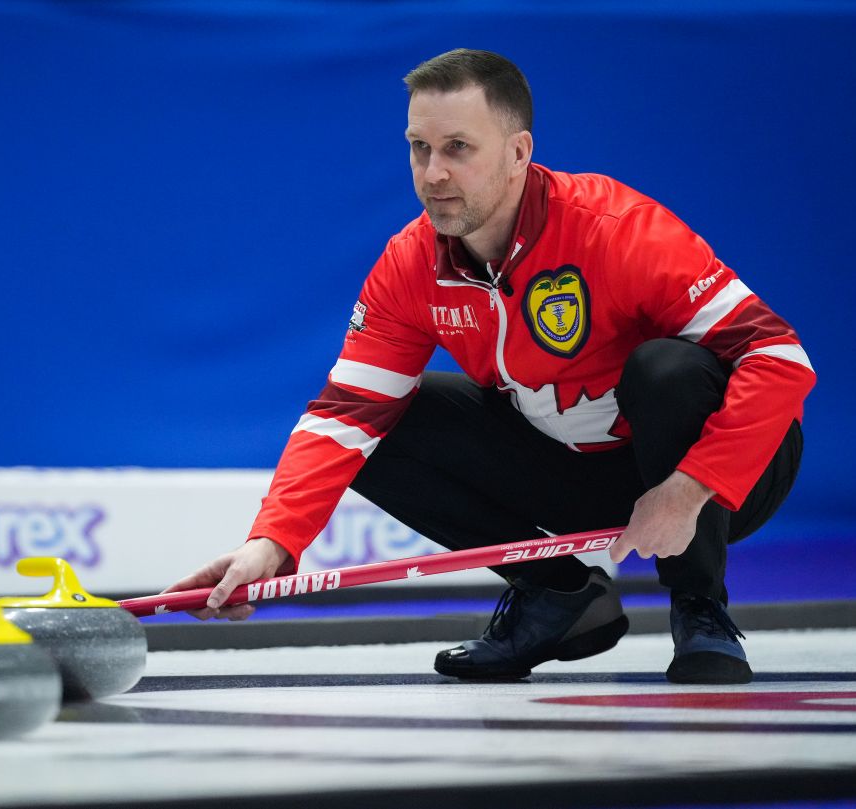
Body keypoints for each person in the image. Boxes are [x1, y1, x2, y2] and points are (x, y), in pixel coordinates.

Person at [164, 49, 814, 684]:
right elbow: (346, 415)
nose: (433, 172)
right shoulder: (409, 264)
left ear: (519, 153)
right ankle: (559, 592)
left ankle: (699, 605)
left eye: (458, 148)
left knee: (666, 368)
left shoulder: (617, 230)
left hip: (726, 475)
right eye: (419, 147)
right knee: (388, 425)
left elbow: (779, 356)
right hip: (584, 471)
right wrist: (269, 544)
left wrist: (691, 486)